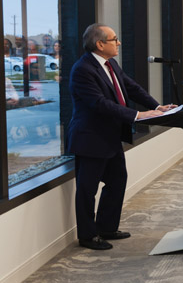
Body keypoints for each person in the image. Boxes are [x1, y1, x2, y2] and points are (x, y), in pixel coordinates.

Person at [68, 23, 175, 250]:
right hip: (90, 139)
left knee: (117, 181)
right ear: (99, 44)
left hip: (111, 136)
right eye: (114, 39)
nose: (119, 42)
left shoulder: (111, 64)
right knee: (87, 190)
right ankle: (87, 236)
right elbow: (100, 104)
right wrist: (138, 114)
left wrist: (157, 106)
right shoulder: (83, 70)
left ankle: (106, 227)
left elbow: (132, 88)